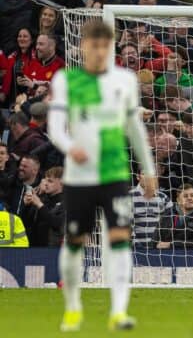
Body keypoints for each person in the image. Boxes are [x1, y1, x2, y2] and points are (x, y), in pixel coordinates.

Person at [48, 20, 157, 332]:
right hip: (79, 177)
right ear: (83, 48)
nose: (98, 52)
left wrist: (148, 168)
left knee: (120, 239)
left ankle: (119, 311)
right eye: (93, 46)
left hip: (115, 174)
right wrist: (71, 147)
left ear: (110, 48)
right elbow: (55, 127)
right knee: (75, 242)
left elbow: (133, 127)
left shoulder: (124, 80)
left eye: (104, 46)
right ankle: (72, 308)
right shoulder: (67, 80)